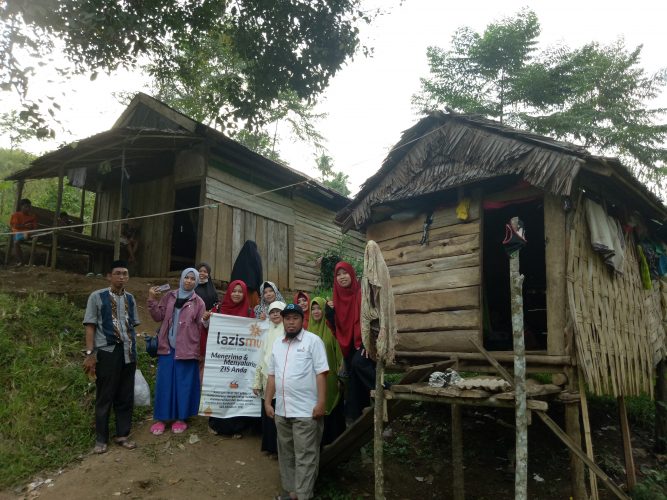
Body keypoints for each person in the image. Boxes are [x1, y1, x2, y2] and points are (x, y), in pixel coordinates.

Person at [265, 303, 329, 500]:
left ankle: (303, 495)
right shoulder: (278, 344)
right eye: (287, 318)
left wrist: (321, 403)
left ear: (303, 320)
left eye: (295, 318)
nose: (290, 322)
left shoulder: (313, 341)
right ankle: (292, 492)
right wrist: (268, 402)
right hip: (282, 410)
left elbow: (321, 373)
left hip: (306, 411)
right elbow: (272, 376)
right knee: (286, 455)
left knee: (306, 456)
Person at [83, 259, 141, 454]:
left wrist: (135, 352)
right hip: (107, 352)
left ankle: (122, 434)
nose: (122, 276)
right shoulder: (97, 297)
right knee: (105, 395)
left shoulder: (131, 299)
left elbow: (132, 326)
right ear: (109, 276)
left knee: (125, 395)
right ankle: (101, 439)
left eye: (125, 273)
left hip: (128, 351)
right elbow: (90, 326)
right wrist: (90, 354)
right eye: (118, 273)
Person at [148, 268, 207, 435]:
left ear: (196, 282)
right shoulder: (170, 296)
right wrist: (152, 300)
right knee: (165, 383)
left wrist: (207, 320)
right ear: (181, 279)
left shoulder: (198, 302)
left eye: (192, 279)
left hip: (188, 349)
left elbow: (202, 325)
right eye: (186, 278)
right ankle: (162, 418)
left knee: (183, 385)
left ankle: (181, 418)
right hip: (167, 348)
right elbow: (158, 316)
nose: (188, 281)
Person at [208, 279, 257, 436]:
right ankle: (217, 424)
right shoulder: (219, 309)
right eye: (234, 291)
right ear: (229, 292)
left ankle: (238, 427)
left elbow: (256, 335)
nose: (237, 294)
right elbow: (208, 329)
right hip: (220, 360)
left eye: (240, 291)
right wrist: (205, 319)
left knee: (238, 390)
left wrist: (261, 323)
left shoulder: (250, 312)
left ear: (244, 294)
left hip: (241, 362)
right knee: (220, 388)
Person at [329, 261, 375, 421]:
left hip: (364, 342)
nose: (342, 277)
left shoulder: (362, 293)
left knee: (358, 363)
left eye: (345, 273)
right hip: (347, 346)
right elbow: (336, 327)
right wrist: (331, 312)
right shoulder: (337, 299)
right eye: (338, 275)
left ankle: (383, 388)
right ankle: (356, 420)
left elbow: (372, 318)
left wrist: (366, 342)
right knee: (354, 383)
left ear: (352, 274)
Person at [308, 297, 346, 445]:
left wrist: (341, 377)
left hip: (331, 378)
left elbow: (339, 354)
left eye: (319, 308)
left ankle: (336, 445)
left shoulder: (331, 330)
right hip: (313, 380)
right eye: (313, 309)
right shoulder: (307, 332)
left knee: (333, 411)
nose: (316, 312)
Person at [252, 300, 286, 455]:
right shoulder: (268, 332)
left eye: (278, 311)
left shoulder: (289, 331)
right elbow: (261, 357)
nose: (275, 314)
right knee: (268, 414)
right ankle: (270, 447)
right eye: (272, 312)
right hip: (266, 379)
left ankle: (281, 449)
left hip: (282, 380)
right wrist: (257, 381)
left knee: (280, 415)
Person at [230, 240, 263, 309]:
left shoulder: (240, 257)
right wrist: (259, 290)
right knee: (251, 310)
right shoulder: (256, 257)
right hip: (252, 291)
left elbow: (234, 274)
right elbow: (259, 273)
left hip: (238, 290)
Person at [9, 198, 37, 266]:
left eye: (29, 207)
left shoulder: (33, 216)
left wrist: (30, 227)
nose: (28, 208)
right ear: (21, 207)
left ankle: (23, 262)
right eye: (26, 206)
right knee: (16, 242)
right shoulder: (16, 215)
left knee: (19, 239)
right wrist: (24, 225)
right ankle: (21, 261)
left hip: (28, 233)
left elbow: (35, 227)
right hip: (17, 232)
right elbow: (15, 226)